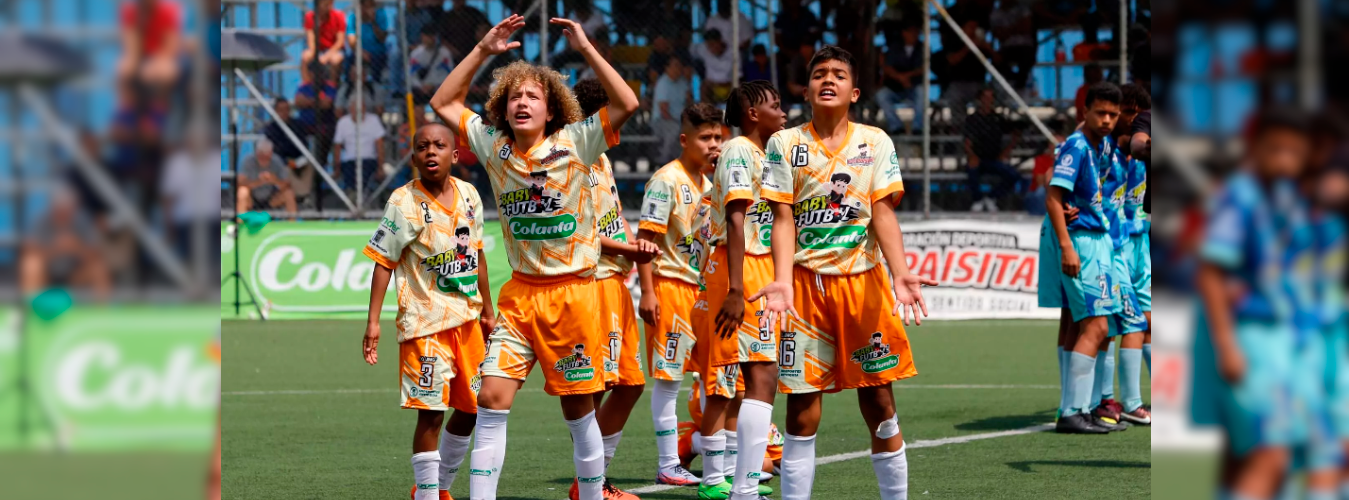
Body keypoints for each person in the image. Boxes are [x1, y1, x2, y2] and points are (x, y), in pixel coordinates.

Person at [429, 15, 639, 500]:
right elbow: (443, 102)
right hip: (520, 297)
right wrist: (483, 50)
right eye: (514, 96)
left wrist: (586, 49)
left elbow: (628, 102)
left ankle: (591, 494)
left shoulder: (578, 142)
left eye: (532, 96)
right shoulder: (494, 146)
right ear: (503, 108)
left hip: (573, 295)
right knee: (490, 398)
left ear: (552, 109)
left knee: (578, 410)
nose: (522, 102)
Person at [752, 45, 937, 500]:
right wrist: (781, 279)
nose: (828, 80)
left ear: (854, 92)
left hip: (863, 285)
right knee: (801, 410)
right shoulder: (784, 144)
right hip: (804, 290)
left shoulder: (875, 142)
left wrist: (900, 272)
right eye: (819, 74)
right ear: (806, 90)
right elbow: (782, 219)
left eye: (838, 74)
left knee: (880, 404)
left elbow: (882, 212)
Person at [361, 123, 494, 500]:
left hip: (468, 322)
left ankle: (439, 488)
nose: (430, 151)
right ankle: (427, 494)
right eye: (422, 147)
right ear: (414, 157)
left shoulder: (469, 194)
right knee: (432, 413)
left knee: (474, 409)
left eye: (439, 145)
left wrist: (488, 309)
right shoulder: (402, 202)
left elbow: (478, 254)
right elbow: (384, 261)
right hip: (425, 326)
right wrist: (373, 322)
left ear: (455, 154)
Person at [1190, 110, 1310, 500]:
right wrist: (1227, 346)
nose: (1285, 160)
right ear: (1255, 148)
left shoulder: (1285, 197)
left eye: (1295, 152)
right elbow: (1211, 272)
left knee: (1240, 456)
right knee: (1271, 453)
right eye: (1276, 149)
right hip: (1247, 338)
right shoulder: (1241, 197)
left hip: (1274, 336)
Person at [568, 77, 661, 500]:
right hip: (593, 281)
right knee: (596, 386)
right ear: (594, 119)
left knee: (629, 383)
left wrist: (636, 257)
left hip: (617, 282)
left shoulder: (601, 160)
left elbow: (614, 218)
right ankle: (590, 484)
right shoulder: (572, 162)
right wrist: (631, 249)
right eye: (612, 118)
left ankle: (592, 481)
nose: (619, 127)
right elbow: (579, 232)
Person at [698, 79, 787, 500]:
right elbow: (736, 218)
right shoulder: (738, 149)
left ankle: (740, 483)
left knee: (759, 376)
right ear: (753, 113)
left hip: (757, 267)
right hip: (741, 268)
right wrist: (736, 288)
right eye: (775, 105)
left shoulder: (765, 154)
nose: (783, 112)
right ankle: (734, 485)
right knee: (750, 376)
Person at [636, 102, 722, 488]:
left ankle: (716, 459)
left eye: (718, 137)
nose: (713, 145)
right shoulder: (666, 180)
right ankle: (668, 463)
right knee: (669, 378)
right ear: (685, 140)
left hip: (702, 292)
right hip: (670, 286)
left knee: (711, 376)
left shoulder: (709, 185)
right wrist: (648, 292)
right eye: (705, 138)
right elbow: (645, 240)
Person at [1038, 82, 1125, 434]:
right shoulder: (1076, 146)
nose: (1107, 120)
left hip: (1097, 238)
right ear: (1085, 112)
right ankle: (1073, 411)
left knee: (1085, 324)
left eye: (1113, 115)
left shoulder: (1100, 144)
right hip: (1081, 242)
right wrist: (1067, 246)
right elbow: (1053, 196)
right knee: (1096, 326)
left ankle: (1080, 408)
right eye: (1100, 113)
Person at [677, 374, 785, 481]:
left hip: (747, 396)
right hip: (717, 395)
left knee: (785, 459)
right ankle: (692, 440)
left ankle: (693, 439)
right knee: (761, 465)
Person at [963, 88, 1021, 212]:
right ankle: (977, 200)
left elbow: (1015, 133)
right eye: (985, 97)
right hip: (977, 158)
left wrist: (1006, 152)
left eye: (990, 98)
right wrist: (972, 155)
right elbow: (967, 141)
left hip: (994, 159)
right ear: (979, 99)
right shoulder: (972, 119)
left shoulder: (998, 118)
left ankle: (991, 197)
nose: (987, 101)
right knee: (971, 169)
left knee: (1013, 174)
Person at [117, 0, 183, 93]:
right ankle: (128, 101)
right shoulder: (130, 10)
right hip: (141, 55)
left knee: (167, 71)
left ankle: (159, 101)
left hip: (161, 56)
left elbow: (170, 49)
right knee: (124, 68)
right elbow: (131, 48)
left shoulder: (168, 10)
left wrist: (153, 65)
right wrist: (135, 64)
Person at [938, 18, 993, 130]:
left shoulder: (982, 43)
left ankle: (983, 126)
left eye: (975, 28)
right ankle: (959, 128)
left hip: (978, 83)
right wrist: (968, 46)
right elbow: (952, 60)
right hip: (959, 83)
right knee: (954, 95)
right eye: (970, 27)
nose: (973, 30)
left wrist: (986, 47)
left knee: (987, 94)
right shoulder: (954, 42)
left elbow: (998, 60)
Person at [876, 24, 924, 135]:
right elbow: (887, 67)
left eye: (916, 32)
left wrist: (907, 76)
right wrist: (900, 77)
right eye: (911, 32)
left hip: (913, 87)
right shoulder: (895, 47)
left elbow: (923, 68)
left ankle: (917, 128)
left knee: (922, 92)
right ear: (904, 33)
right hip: (896, 88)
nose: (914, 35)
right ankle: (896, 127)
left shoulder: (922, 48)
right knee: (881, 95)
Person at [332, 96, 386, 194]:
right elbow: (337, 147)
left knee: (365, 170)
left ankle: (359, 195)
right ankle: (352, 193)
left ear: (365, 108)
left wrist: (380, 167)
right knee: (349, 170)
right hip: (349, 160)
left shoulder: (374, 120)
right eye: (356, 109)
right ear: (350, 109)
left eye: (361, 109)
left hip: (369, 159)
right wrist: (336, 168)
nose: (359, 112)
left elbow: (380, 145)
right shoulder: (342, 122)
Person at [237, 139, 298, 218]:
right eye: (261, 156)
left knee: (289, 194)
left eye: (267, 157)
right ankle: (240, 220)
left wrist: (274, 180)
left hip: (271, 199)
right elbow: (240, 182)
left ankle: (292, 223)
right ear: (257, 153)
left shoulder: (277, 161)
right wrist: (258, 182)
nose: (264, 159)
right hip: (252, 199)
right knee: (242, 192)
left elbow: (287, 184)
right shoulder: (248, 161)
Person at [295, 64, 338, 171]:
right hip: (305, 125)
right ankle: (301, 162)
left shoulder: (329, 86)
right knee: (294, 128)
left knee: (327, 134)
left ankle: (321, 166)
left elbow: (327, 104)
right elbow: (298, 101)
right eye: (313, 72)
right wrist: (317, 102)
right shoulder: (304, 86)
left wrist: (308, 102)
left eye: (319, 72)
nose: (316, 75)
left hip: (324, 124)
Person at [990, 0, 1035, 91]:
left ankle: (1021, 85)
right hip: (1007, 47)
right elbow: (998, 34)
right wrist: (1017, 27)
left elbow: (1026, 26)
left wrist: (1007, 30)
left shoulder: (1022, 8)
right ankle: (1011, 82)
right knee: (996, 61)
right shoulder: (995, 14)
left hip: (1025, 46)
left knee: (1027, 59)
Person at [653, 57, 692, 162]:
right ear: (667, 68)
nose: (678, 69)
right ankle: (664, 160)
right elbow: (664, 111)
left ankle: (684, 160)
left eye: (679, 66)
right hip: (662, 121)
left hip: (680, 120)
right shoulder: (663, 83)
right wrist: (678, 122)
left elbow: (689, 104)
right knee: (674, 129)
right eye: (675, 66)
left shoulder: (683, 82)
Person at [302, 0, 347, 83]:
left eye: (330, 3)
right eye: (325, 4)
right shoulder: (310, 17)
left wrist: (326, 56)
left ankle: (332, 84)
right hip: (318, 49)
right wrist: (315, 54)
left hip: (334, 50)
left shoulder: (339, 16)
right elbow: (311, 40)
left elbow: (340, 41)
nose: (329, 7)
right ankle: (307, 84)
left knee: (335, 59)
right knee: (305, 56)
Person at [409, 27, 456, 105]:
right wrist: (420, 86)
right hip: (421, 88)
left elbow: (449, 74)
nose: (430, 39)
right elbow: (411, 75)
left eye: (432, 36)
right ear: (422, 37)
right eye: (427, 36)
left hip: (439, 88)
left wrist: (434, 85)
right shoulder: (416, 54)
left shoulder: (444, 53)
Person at [350, 0, 390, 83]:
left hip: (376, 51)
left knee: (377, 59)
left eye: (371, 6)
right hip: (360, 51)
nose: (369, 9)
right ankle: (351, 85)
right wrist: (361, 52)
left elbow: (382, 38)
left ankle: (375, 83)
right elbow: (351, 40)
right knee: (349, 59)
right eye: (366, 6)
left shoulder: (380, 14)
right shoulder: (353, 17)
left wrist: (373, 22)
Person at [692, 30, 735, 103]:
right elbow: (689, 50)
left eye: (712, 44)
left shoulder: (732, 53)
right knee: (704, 87)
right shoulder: (703, 49)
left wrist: (724, 84)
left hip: (727, 86)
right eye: (708, 45)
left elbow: (739, 77)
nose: (710, 48)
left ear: (719, 41)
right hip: (711, 87)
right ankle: (707, 109)